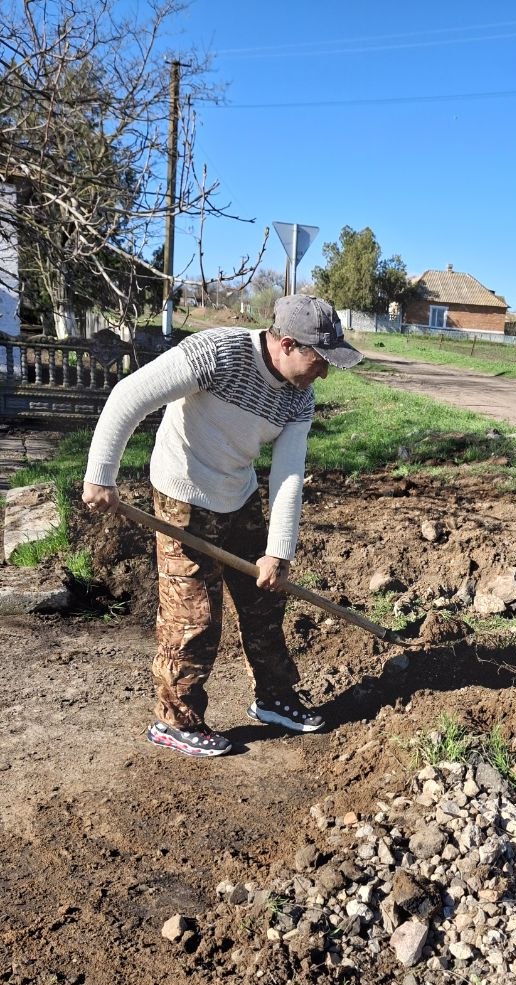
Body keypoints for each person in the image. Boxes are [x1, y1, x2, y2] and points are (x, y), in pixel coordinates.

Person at [81, 294, 363, 757]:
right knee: (194, 616)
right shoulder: (216, 353)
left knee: (264, 602)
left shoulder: (300, 397)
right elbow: (129, 395)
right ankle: (175, 720)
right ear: (287, 344)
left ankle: (275, 698)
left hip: (239, 493)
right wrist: (100, 474)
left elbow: (289, 474)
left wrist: (279, 551)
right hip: (182, 495)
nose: (325, 372)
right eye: (320, 359)